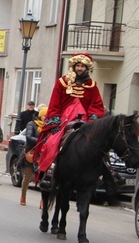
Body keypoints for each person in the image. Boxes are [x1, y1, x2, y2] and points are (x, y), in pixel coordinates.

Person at [36, 53, 105, 189]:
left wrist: (92, 121)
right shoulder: (62, 82)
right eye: (77, 66)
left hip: (85, 120)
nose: (79, 69)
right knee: (52, 142)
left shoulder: (92, 86)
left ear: (87, 68)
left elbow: (96, 106)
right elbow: (54, 104)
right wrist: (54, 123)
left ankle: (107, 173)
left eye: (82, 66)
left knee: (100, 144)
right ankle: (49, 171)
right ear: (73, 67)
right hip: (64, 120)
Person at [20, 105, 46, 206]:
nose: (46, 117)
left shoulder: (48, 126)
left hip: (43, 155)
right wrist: (41, 141)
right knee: (27, 177)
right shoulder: (32, 124)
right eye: (45, 115)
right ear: (41, 116)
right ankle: (23, 196)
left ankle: (43, 200)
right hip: (31, 153)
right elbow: (29, 137)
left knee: (43, 178)